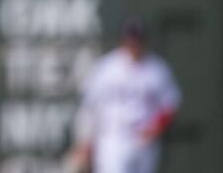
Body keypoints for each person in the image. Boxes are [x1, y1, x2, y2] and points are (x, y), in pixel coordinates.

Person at [67, 17, 181, 173]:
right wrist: (86, 141)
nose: (134, 45)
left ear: (145, 41)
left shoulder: (157, 69)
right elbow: (89, 106)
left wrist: (155, 128)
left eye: (138, 40)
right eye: (131, 40)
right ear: (122, 40)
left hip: (144, 140)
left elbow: (170, 104)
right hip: (113, 138)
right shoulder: (107, 67)